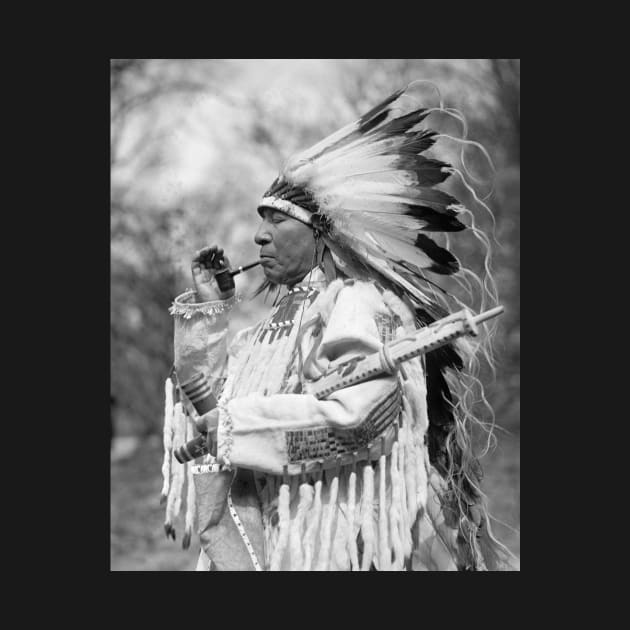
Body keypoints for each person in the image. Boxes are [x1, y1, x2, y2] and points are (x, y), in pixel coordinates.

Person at [161, 82, 514, 571]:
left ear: (323, 234)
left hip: (347, 539)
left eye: (278, 221)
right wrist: (208, 315)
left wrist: (236, 428)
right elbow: (210, 411)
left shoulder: (359, 302)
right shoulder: (269, 330)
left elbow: (365, 421)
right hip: (286, 535)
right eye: (260, 220)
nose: (260, 234)